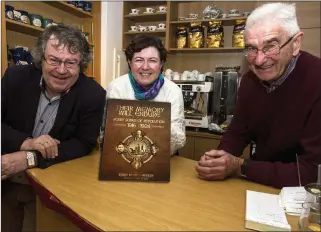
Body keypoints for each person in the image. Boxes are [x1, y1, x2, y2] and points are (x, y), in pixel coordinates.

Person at [195, 3, 321, 189]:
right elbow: (238, 132)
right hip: (259, 183)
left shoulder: (316, 80)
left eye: (270, 46)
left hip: (303, 195)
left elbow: (313, 172)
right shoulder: (249, 82)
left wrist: (239, 166)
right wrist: (218, 159)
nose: (259, 60)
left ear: (295, 44)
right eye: (251, 49)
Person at [1, 24, 106, 231]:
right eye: (54, 60)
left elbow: (83, 144)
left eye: (71, 63)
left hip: (51, 190)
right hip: (6, 182)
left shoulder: (93, 94)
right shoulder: (15, 78)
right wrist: (27, 143)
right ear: (41, 59)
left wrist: (29, 158)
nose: (61, 70)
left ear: (81, 65)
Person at [106, 35, 186, 155]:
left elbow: (178, 138)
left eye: (152, 60)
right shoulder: (117, 87)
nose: (145, 67)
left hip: (163, 157)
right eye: (139, 60)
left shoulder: (173, 91)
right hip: (123, 157)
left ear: (161, 64)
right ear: (129, 62)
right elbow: (109, 133)